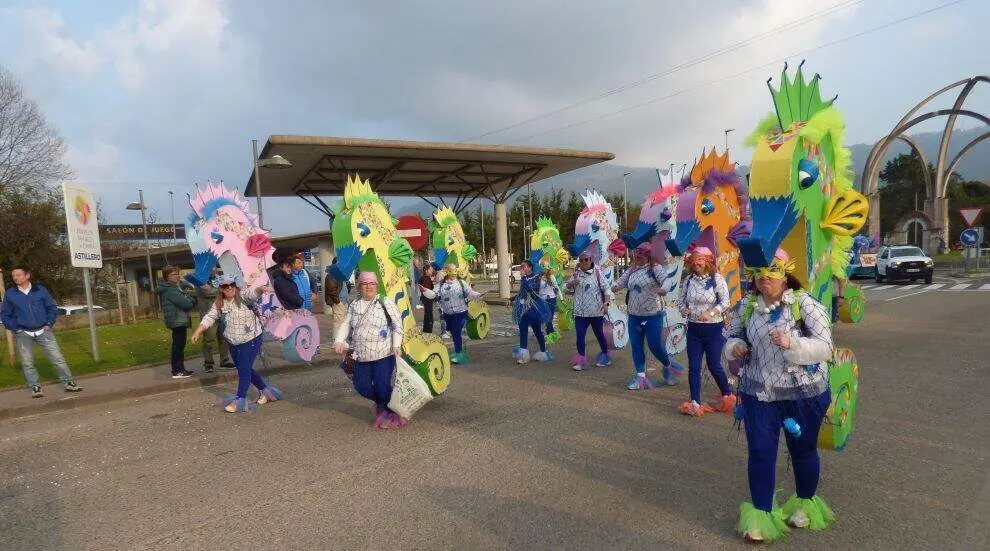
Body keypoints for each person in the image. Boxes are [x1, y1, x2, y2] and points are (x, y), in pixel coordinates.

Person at [724, 248, 836, 542]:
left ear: (786, 273)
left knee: (803, 451)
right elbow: (732, 336)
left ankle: (805, 502)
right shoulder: (747, 306)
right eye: (757, 271)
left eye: (771, 270)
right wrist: (734, 347)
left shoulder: (805, 305)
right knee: (760, 452)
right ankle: (760, 516)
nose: (763, 277)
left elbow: (826, 347)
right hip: (759, 392)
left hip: (804, 393)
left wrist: (792, 343)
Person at [191, 275, 282, 413]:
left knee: (244, 369)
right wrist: (197, 331)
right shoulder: (219, 304)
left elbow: (252, 294)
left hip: (251, 339)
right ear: (220, 289)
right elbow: (209, 317)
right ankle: (265, 391)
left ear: (235, 286)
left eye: (231, 285)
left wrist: (260, 289)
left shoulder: (243, 298)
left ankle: (239, 399)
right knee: (244, 369)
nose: (229, 289)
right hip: (233, 342)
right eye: (225, 287)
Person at [333, 271, 406, 429]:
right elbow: (346, 324)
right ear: (359, 287)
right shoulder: (354, 305)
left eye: (372, 283)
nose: (368, 286)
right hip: (362, 355)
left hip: (384, 354)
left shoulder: (385, 302)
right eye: (365, 284)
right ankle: (385, 402)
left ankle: (387, 409)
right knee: (361, 386)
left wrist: (396, 344)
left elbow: (397, 325)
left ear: (376, 285)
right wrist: (339, 340)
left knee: (382, 385)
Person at [0, 266, 83, 397]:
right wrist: (16, 328)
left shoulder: (40, 290)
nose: (15, 278)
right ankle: (35, 387)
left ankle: (69, 382)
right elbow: (5, 314)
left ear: (27, 275)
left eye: (18, 275)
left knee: (57, 358)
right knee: (28, 362)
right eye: (13, 276)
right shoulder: (10, 294)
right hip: (23, 333)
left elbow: (51, 308)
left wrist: (49, 323)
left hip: (43, 331)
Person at [612, 243, 683, 390]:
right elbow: (621, 281)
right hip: (634, 316)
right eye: (636, 255)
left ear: (648, 256)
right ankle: (641, 377)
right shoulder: (632, 269)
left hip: (652, 316)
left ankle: (668, 367)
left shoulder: (654, 268)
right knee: (636, 346)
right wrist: (614, 286)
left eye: (641, 255)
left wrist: (663, 289)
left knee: (655, 345)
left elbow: (667, 280)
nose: (637, 258)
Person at [678, 246, 735, 416]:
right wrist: (683, 309)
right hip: (694, 330)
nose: (696, 263)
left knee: (713, 365)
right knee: (693, 367)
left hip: (714, 330)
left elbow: (726, 302)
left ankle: (727, 394)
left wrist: (710, 312)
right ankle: (695, 401)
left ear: (708, 261)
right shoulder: (688, 280)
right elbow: (681, 301)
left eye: (700, 259)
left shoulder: (717, 279)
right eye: (694, 260)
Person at [564, 252, 613, 371]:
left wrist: (606, 303)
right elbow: (565, 289)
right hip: (580, 312)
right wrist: (572, 283)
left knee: (599, 334)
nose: (584, 262)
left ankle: (605, 355)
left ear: (591, 260)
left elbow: (606, 288)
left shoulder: (597, 272)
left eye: (586, 260)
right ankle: (581, 361)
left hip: (596, 311)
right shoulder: (576, 273)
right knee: (580, 336)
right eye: (581, 260)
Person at [435, 263, 482, 364]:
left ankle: (459, 353)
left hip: (461, 312)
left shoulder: (461, 283)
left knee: (456, 331)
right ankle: (458, 351)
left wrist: (478, 295)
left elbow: (470, 292)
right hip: (447, 313)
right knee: (453, 332)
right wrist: (427, 292)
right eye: (451, 271)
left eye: (454, 270)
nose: (453, 273)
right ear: (446, 272)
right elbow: (434, 293)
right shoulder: (441, 284)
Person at [157, 266, 197, 379]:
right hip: (176, 320)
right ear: (167, 277)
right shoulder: (171, 290)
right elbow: (186, 304)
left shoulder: (175, 287)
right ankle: (177, 370)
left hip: (179, 320)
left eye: (177, 274)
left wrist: (187, 297)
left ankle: (181, 369)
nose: (177, 276)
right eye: (174, 274)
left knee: (180, 345)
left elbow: (185, 299)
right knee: (178, 346)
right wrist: (191, 299)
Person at [512, 260, 552, 364]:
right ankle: (523, 355)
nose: (522, 268)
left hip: (534, 308)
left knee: (537, 331)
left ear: (530, 267)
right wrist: (511, 299)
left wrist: (523, 277)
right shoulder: (524, 278)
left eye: (524, 266)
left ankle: (543, 351)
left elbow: (532, 291)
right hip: (524, 308)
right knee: (523, 329)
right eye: (521, 267)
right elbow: (522, 292)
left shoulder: (536, 277)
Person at [195, 266, 233, 372]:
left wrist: (223, 289)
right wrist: (222, 290)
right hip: (208, 314)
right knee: (208, 340)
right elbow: (208, 292)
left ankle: (224, 361)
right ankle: (208, 363)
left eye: (214, 268)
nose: (213, 270)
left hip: (222, 313)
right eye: (210, 268)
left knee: (224, 338)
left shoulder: (219, 279)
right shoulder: (199, 280)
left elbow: (227, 291)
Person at [324, 259, 350, 346]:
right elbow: (332, 290)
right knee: (339, 322)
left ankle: (341, 340)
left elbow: (346, 286)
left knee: (343, 321)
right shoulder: (332, 275)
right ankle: (337, 342)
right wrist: (337, 301)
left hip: (343, 301)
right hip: (339, 302)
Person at [538, 261, 562, 342]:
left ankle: (550, 336)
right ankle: (552, 334)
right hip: (542, 300)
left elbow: (557, 287)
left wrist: (561, 298)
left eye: (546, 268)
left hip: (551, 299)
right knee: (546, 318)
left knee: (549, 318)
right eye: (543, 267)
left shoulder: (551, 277)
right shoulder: (538, 277)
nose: (544, 269)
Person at [418, 263, 438, 333]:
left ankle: (426, 329)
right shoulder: (425, 278)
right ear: (426, 270)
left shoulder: (425, 278)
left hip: (426, 298)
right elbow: (426, 289)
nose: (431, 271)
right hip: (427, 298)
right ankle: (428, 330)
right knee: (429, 315)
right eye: (430, 270)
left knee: (427, 314)